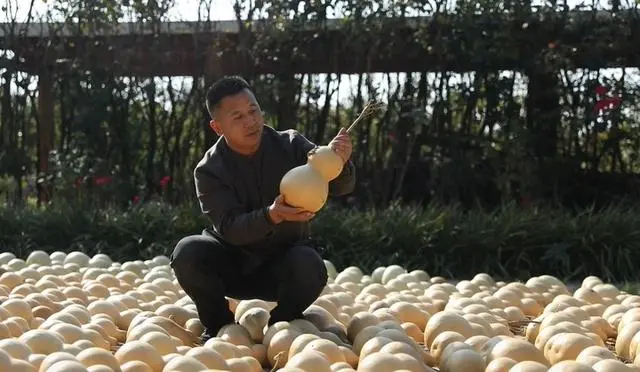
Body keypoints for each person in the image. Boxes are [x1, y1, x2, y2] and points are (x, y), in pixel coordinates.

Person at [169, 76, 356, 342]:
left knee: (310, 265)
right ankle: (219, 326)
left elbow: (338, 185)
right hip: (232, 262)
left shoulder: (291, 144)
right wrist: (272, 215)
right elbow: (230, 228)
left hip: (283, 263)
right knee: (188, 253)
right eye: (238, 116)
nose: (251, 121)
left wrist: (340, 161)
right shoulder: (209, 170)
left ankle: (282, 326)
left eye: (253, 110)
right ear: (217, 127)